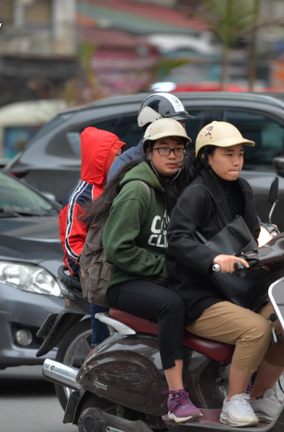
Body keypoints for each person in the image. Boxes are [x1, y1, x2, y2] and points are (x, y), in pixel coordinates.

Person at [166, 121, 284, 427]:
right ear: (207, 157)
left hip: (239, 288)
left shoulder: (241, 188)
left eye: (240, 154)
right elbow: (177, 239)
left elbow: (248, 237)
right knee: (257, 329)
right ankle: (233, 402)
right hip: (200, 295)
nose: (236, 160)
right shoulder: (197, 194)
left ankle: (259, 397)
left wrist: (270, 244)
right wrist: (214, 259)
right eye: (228, 153)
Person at [81, 118, 202, 423]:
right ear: (149, 152)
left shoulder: (173, 187)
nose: (173, 156)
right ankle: (176, 396)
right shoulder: (138, 189)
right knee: (171, 304)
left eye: (178, 150)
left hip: (155, 277)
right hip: (126, 281)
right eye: (165, 149)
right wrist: (165, 269)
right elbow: (118, 248)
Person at [59, 127, 125, 347]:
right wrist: (93, 262)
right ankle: (100, 345)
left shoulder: (115, 188)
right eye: (116, 155)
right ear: (100, 158)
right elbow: (71, 243)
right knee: (102, 278)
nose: (120, 160)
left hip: (112, 258)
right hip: (86, 264)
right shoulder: (80, 197)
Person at [107, 93, 193, 183]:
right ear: (149, 126)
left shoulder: (184, 161)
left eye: (182, 124)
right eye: (173, 124)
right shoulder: (126, 163)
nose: (179, 130)